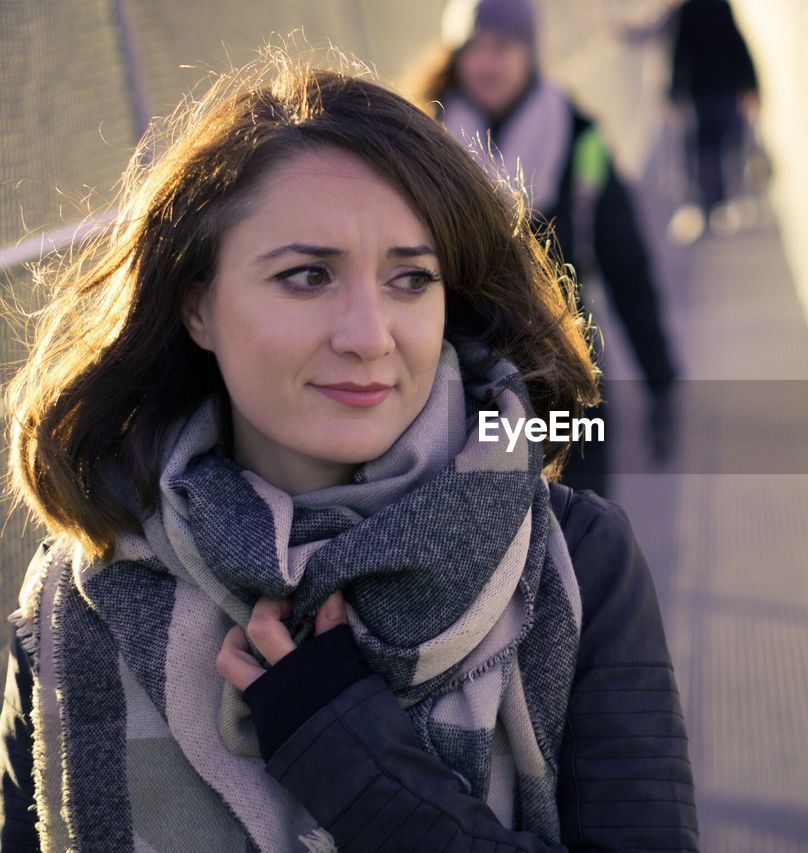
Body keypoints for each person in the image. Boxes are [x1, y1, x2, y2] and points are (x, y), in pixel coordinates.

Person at [0, 51, 698, 852]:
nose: (369, 337)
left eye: (410, 280)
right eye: (306, 277)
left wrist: (355, 759)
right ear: (197, 306)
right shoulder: (80, 596)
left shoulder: (577, 562)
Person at [411, 0, 679, 498]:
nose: (486, 63)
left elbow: (626, 265)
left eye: (502, 47)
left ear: (530, 53)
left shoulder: (580, 140)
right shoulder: (421, 144)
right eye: (472, 48)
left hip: (560, 365)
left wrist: (660, 382)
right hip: (457, 374)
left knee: (576, 515)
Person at [667, 0, 759, 231]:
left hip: (703, 93)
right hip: (724, 90)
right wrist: (751, 85)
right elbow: (738, 44)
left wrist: (674, 92)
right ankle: (722, 204)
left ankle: (711, 205)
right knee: (725, 147)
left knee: (705, 151)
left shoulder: (688, 10)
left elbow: (680, 52)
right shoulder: (720, 6)